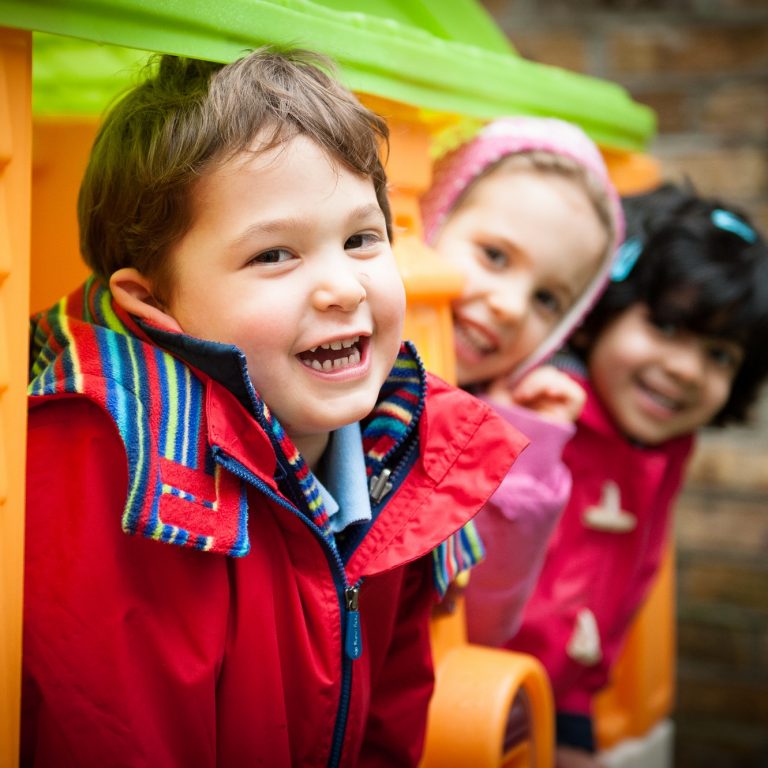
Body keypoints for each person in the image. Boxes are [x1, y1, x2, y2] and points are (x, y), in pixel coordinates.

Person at [22, 49, 525, 767]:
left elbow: (393, 711)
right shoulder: (112, 457)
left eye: (361, 240)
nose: (342, 289)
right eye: (275, 256)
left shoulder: (402, 455)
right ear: (151, 302)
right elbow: (116, 730)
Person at [507, 182, 768, 767]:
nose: (686, 370)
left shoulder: (665, 443)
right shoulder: (541, 406)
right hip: (486, 695)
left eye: (720, 354)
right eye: (667, 328)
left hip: (567, 694)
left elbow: (624, 577)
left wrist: (575, 705)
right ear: (603, 308)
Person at [420, 117, 624, 641]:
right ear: (431, 223)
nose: (510, 307)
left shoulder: (504, 418)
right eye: (495, 256)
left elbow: (484, 622)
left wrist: (521, 453)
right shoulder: (331, 366)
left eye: (547, 300)